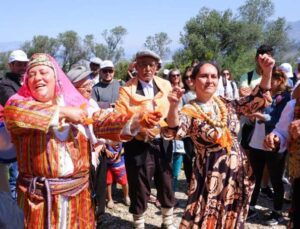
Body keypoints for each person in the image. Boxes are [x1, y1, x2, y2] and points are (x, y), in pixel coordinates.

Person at [3, 53, 160, 229]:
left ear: (56, 77)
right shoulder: (19, 105)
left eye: (42, 72)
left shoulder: (79, 104)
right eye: (31, 74)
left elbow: (102, 121)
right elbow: (15, 114)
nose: (37, 77)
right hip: (38, 199)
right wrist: (62, 112)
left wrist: (135, 120)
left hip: (78, 196)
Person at [166, 54, 274, 228]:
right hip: (210, 177)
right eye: (204, 76)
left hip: (236, 175)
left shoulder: (227, 104)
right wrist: (172, 106)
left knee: (231, 218)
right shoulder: (189, 111)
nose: (210, 80)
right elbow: (174, 130)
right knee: (205, 219)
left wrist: (267, 72)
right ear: (192, 81)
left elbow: (255, 101)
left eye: (213, 76)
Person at [115, 50, 175, 229]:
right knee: (139, 184)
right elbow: (120, 117)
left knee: (166, 180)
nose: (147, 68)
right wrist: (140, 130)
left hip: (163, 141)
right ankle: (139, 224)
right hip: (138, 144)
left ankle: (167, 221)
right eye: (142, 64)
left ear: (157, 67)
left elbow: (172, 110)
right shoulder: (126, 90)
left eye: (151, 64)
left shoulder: (165, 85)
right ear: (136, 66)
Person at [247, 68, 291, 224]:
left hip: (274, 143)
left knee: (276, 179)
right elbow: (251, 110)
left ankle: (277, 212)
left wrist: (263, 115)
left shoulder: (286, 98)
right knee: (253, 177)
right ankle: (250, 208)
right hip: (256, 141)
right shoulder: (263, 94)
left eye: (271, 80)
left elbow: (279, 120)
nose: (267, 83)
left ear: (279, 80)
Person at [0, 49, 29, 200]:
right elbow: (15, 105)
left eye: (25, 64)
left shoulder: (23, 83)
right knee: (15, 176)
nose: (23, 67)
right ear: (11, 65)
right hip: (12, 137)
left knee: (23, 174)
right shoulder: (5, 85)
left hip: (24, 136)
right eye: (19, 64)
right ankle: (14, 210)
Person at [105, 142, 130, 209]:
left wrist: (120, 153)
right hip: (107, 163)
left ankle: (126, 196)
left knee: (124, 181)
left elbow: (127, 145)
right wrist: (106, 150)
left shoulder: (121, 134)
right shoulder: (104, 134)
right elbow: (100, 144)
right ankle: (110, 199)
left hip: (119, 163)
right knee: (108, 182)